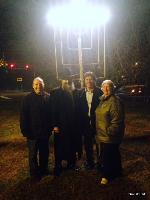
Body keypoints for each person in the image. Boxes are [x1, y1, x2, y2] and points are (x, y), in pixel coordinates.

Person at [20, 77, 51, 181]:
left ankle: (43, 169)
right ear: (33, 86)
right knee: (33, 154)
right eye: (36, 84)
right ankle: (34, 173)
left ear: (43, 85)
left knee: (44, 152)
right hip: (32, 133)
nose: (38, 86)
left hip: (44, 132)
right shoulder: (27, 98)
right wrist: (25, 131)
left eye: (40, 84)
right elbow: (23, 116)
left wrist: (49, 129)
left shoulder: (48, 97)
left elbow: (51, 115)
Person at [95, 80, 125, 185]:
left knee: (107, 156)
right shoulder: (103, 100)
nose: (106, 89)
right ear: (101, 88)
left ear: (112, 88)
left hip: (109, 135)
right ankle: (118, 172)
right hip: (103, 134)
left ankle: (106, 175)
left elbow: (117, 121)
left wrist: (109, 132)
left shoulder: (114, 102)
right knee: (114, 154)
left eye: (109, 87)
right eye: (104, 87)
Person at [51, 79, 76, 176]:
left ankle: (71, 163)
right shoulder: (56, 93)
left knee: (70, 145)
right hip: (60, 125)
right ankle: (58, 165)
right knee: (59, 146)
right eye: (65, 82)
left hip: (71, 125)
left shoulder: (74, 92)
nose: (68, 84)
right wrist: (55, 125)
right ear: (61, 83)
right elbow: (53, 110)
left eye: (69, 83)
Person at [79, 72, 102, 169]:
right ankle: (90, 162)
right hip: (85, 123)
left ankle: (100, 163)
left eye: (90, 79)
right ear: (84, 81)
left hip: (97, 123)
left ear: (94, 80)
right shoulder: (80, 93)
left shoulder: (100, 92)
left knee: (99, 144)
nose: (89, 81)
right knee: (88, 144)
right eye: (87, 79)